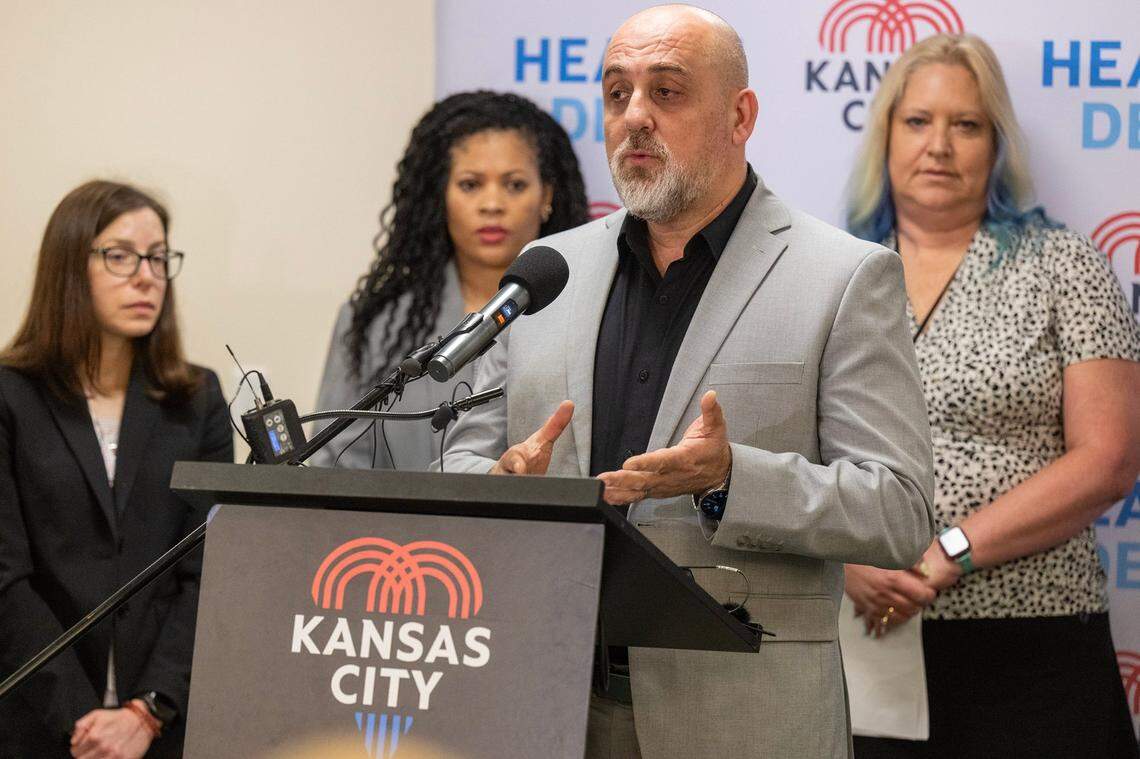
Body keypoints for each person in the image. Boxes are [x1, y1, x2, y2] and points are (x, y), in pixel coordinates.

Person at [438, 5, 936, 757]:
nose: (634, 117)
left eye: (666, 92)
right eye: (616, 94)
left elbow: (897, 509)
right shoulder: (551, 271)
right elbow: (463, 460)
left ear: (740, 116)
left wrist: (731, 477)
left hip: (742, 716)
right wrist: (507, 482)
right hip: (548, 702)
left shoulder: (841, 276)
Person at [841, 33, 1140, 758]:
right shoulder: (840, 272)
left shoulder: (1061, 262)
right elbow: (795, 451)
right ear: (886, 135)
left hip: (1034, 642)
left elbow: (1110, 459)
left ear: (996, 143)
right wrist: (843, 562)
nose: (939, 145)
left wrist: (947, 553)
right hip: (867, 638)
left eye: (965, 125)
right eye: (918, 122)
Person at [0, 181, 233, 758]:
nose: (147, 275)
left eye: (158, 257)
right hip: (37, 721)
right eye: (120, 255)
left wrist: (146, 712)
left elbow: (209, 568)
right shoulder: (10, 397)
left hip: (162, 727)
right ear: (68, 267)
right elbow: (6, 577)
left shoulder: (197, 398)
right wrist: (81, 718)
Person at [310, 90, 588, 471]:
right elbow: (335, 459)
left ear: (547, 197)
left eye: (515, 185)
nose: (492, 204)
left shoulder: (589, 316)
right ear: (440, 197)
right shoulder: (378, 324)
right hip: (397, 530)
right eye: (471, 184)